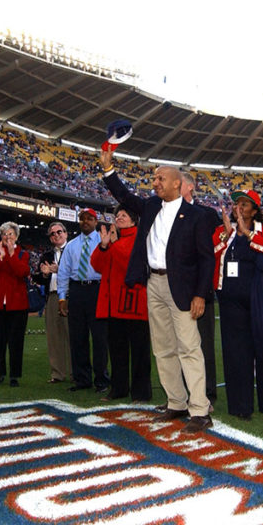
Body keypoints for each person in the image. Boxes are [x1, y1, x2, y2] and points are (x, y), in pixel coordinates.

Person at [101, 148, 215, 434]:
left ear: (178, 183)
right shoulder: (151, 206)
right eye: (154, 178)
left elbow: (206, 258)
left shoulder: (197, 216)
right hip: (154, 283)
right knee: (163, 347)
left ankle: (200, 410)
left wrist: (201, 294)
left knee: (189, 347)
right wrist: (108, 171)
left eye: (161, 178)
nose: (156, 182)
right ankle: (176, 401)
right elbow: (125, 198)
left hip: (183, 289)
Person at [212, 188, 263, 419]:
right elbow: (212, 254)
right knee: (237, 354)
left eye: (245, 204)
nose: (239, 208)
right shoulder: (223, 230)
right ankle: (240, 406)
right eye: (237, 204)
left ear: (255, 210)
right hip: (230, 300)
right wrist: (228, 234)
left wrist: (247, 234)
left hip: (261, 299)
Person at [90, 207, 151, 402]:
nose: (119, 218)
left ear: (133, 220)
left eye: (124, 215)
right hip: (114, 304)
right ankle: (119, 388)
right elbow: (97, 265)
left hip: (134, 303)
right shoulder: (114, 241)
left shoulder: (139, 239)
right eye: (118, 216)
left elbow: (130, 264)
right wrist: (103, 246)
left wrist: (113, 245)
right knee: (117, 350)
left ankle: (141, 392)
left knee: (139, 351)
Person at [180, 172, 221, 406]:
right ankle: (179, 395)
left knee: (203, 344)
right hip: (174, 288)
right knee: (178, 345)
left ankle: (207, 394)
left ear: (189, 187)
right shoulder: (166, 213)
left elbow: (214, 252)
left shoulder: (208, 214)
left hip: (200, 287)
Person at [57, 209, 109, 393]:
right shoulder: (71, 245)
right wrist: (62, 298)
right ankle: (82, 379)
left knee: (100, 337)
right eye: (82, 219)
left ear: (96, 221)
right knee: (77, 337)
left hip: (97, 288)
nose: (85, 221)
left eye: (89, 218)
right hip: (77, 290)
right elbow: (63, 273)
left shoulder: (103, 241)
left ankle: (102, 379)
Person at [0, 221, 31, 387]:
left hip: (17, 305)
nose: (7, 237)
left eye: (10, 234)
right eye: (4, 234)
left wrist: (10, 254)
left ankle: (14, 376)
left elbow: (22, 272)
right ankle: (0, 373)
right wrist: (1, 257)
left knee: (16, 341)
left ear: (16, 237)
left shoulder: (23, 254)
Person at [35, 222, 71, 383]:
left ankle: (74, 373)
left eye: (59, 232)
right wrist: (43, 275)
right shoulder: (46, 255)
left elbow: (81, 272)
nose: (56, 235)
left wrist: (60, 269)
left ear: (66, 233)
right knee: (54, 336)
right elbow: (37, 277)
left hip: (70, 296)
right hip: (52, 296)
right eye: (52, 234)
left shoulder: (73, 250)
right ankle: (58, 373)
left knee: (71, 335)